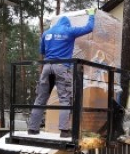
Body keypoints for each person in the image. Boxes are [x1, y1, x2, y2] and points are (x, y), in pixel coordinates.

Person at [27, 8, 96, 137]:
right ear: (67, 24)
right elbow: (89, 27)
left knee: (40, 98)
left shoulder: (46, 33)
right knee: (64, 99)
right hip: (61, 67)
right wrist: (91, 14)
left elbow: (42, 51)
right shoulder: (69, 31)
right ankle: (64, 131)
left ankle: (32, 128)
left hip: (47, 68)